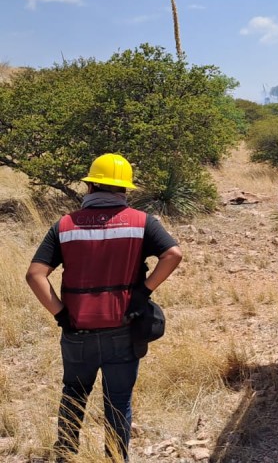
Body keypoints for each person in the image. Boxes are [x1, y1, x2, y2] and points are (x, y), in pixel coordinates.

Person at [25, 154, 182, 462]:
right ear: (123, 189)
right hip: (122, 330)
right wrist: (143, 292)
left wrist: (60, 314)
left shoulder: (65, 225)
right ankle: (113, 459)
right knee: (118, 402)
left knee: (73, 396)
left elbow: (35, 275)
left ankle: (66, 456)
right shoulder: (141, 222)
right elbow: (173, 254)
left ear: (91, 185)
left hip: (77, 332)